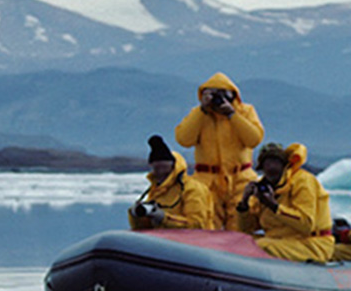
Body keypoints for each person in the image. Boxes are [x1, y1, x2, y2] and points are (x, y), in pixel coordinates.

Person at [173, 73, 263, 228]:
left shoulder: (245, 112)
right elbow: (184, 140)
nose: (218, 99)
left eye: (223, 95)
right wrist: (202, 110)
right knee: (208, 226)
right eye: (212, 95)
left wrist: (232, 115)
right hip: (207, 180)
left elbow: (253, 139)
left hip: (240, 179)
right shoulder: (199, 114)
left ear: (233, 95)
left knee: (239, 228)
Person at [235, 142, 335, 262]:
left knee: (262, 246)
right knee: (239, 241)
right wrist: (244, 203)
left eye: (276, 162)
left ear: (284, 165)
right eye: (267, 163)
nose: (271, 167)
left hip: (313, 244)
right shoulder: (265, 189)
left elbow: (306, 224)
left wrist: (274, 206)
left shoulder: (303, 181)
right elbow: (247, 229)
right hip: (281, 242)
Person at [128, 134, 216, 230]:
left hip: (192, 242)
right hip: (163, 241)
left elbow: (197, 225)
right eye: (156, 167)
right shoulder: (157, 191)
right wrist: (136, 216)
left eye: (164, 167)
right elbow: (145, 229)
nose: (159, 171)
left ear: (173, 166)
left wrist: (164, 218)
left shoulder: (192, 189)